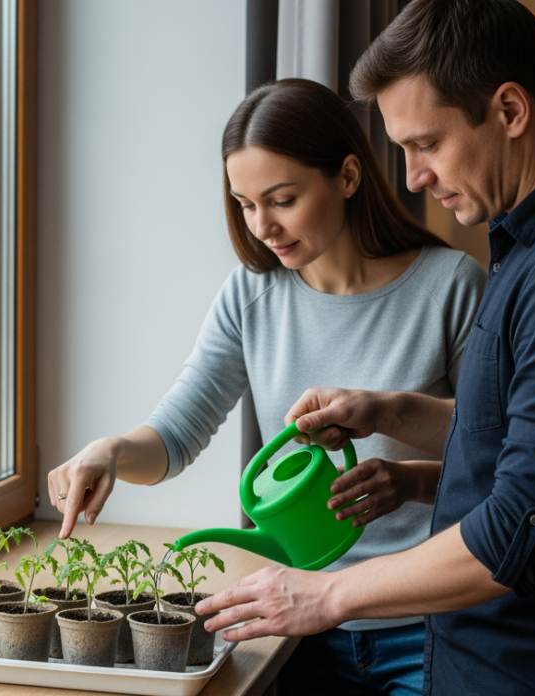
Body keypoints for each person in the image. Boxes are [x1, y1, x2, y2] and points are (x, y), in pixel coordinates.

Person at [198, 2, 535, 694]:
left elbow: (523, 527)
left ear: (510, 110)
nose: (412, 178)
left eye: (426, 144)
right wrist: (391, 414)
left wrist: (326, 595)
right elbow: (531, 446)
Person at [47, 78, 486, 694]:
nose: (262, 227)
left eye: (281, 200)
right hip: (298, 624)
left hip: (427, 621)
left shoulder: (451, 286)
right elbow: (177, 434)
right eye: (245, 204)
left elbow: (498, 453)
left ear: (348, 176)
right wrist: (111, 452)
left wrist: (410, 479)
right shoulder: (250, 295)